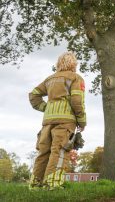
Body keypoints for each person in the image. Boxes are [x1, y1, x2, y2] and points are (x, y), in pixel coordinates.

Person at [28, 52, 86, 190]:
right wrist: (82, 121)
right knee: (59, 151)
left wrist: (46, 108)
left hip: (47, 122)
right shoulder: (75, 78)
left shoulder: (49, 79)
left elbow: (33, 95)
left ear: (59, 64)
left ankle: (35, 184)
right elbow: (77, 101)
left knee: (43, 152)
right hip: (65, 121)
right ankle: (52, 184)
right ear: (74, 64)